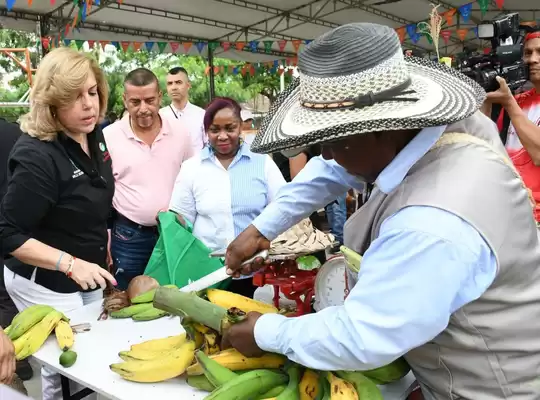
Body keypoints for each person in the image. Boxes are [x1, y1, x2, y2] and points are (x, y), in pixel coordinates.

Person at [222, 23, 540, 399]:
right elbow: (335, 166)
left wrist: (265, 332)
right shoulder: (449, 126)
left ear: (381, 128)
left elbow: (364, 334)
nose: (323, 153)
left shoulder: (431, 221)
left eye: (332, 140)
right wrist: (263, 227)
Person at [0, 47, 116, 400]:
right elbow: (7, 233)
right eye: (75, 96)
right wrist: (69, 263)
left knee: (92, 350)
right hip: (44, 277)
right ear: (52, 102)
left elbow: (94, 192)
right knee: (70, 362)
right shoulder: (38, 155)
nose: (89, 105)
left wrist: (102, 240)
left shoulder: (93, 133)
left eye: (93, 93)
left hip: (86, 265)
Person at [169, 98, 285, 298]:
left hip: (254, 270)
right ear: (206, 131)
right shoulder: (192, 168)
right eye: (214, 130)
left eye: (230, 128)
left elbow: (282, 208)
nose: (222, 136)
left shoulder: (262, 163)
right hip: (208, 273)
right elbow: (182, 221)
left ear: (240, 126)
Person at [104, 68, 194, 290]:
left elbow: (193, 178)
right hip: (128, 236)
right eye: (135, 102)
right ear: (125, 100)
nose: (143, 109)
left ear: (160, 97)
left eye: (150, 100)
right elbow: (102, 191)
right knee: (126, 298)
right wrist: (104, 237)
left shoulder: (180, 132)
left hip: (172, 234)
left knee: (175, 296)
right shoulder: (109, 136)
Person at [484, 29, 540, 222]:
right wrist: (485, 96)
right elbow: (487, 141)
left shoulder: (511, 102)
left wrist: (508, 103)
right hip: (508, 208)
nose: (532, 59)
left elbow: (538, 154)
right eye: (528, 53)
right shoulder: (518, 100)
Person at [0, 119, 32, 385]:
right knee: (7, 296)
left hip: (11, 232)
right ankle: (18, 360)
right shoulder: (17, 133)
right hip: (15, 232)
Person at [160, 66, 206, 152]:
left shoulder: (202, 114)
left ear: (188, 85)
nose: (174, 87)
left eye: (178, 82)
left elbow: (208, 145)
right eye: (170, 83)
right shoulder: (160, 116)